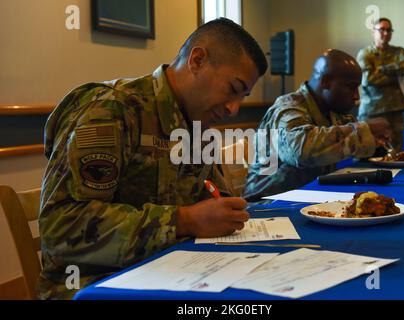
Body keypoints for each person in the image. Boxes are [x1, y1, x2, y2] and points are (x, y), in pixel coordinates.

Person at [37, 18, 267, 299]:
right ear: (197, 60)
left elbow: (214, 198)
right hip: (94, 285)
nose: (234, 109)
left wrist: (222, 212)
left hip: (176, 272)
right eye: (233, 89)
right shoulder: (111, 111)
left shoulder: (199, 128)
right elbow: (60, 229)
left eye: (243, 97)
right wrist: (181, 220)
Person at [243, 49, 390, 201]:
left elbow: (347, 141)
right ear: (325, 82)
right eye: (351, 87)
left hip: (305, 197)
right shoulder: (288, 109)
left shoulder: (331, 111)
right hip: (265, 205)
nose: (356, 96)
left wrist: (375, 142)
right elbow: (301, 151)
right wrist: (367, 129)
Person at [357, 17, 404, 151]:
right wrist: (395, 73)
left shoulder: (399, 52)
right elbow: (369, 79)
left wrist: (383, 69)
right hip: (372, 110)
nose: (386, 33)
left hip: (395, 109)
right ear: (373, 32)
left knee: (396, 152)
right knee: (368, 150)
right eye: (382, 29)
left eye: (389, 30)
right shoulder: (365, 54)